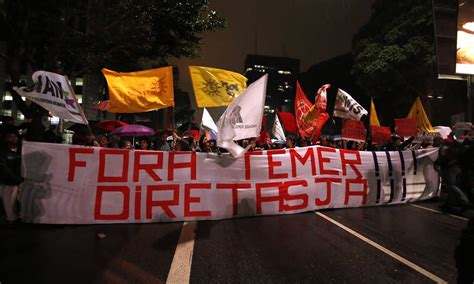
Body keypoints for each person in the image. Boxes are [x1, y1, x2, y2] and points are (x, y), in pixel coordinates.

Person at [0, 128, 23, 222]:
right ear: (5, 138)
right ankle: (11, 218)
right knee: (8, 200)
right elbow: (3, 167)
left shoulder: (20, 149)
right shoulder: (2, 151)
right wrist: (15, 178)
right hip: (7, 180)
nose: (13, 139)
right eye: (10, 137)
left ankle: (12, 216)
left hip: (16, 180)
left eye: (15, 137)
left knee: (12, 200)